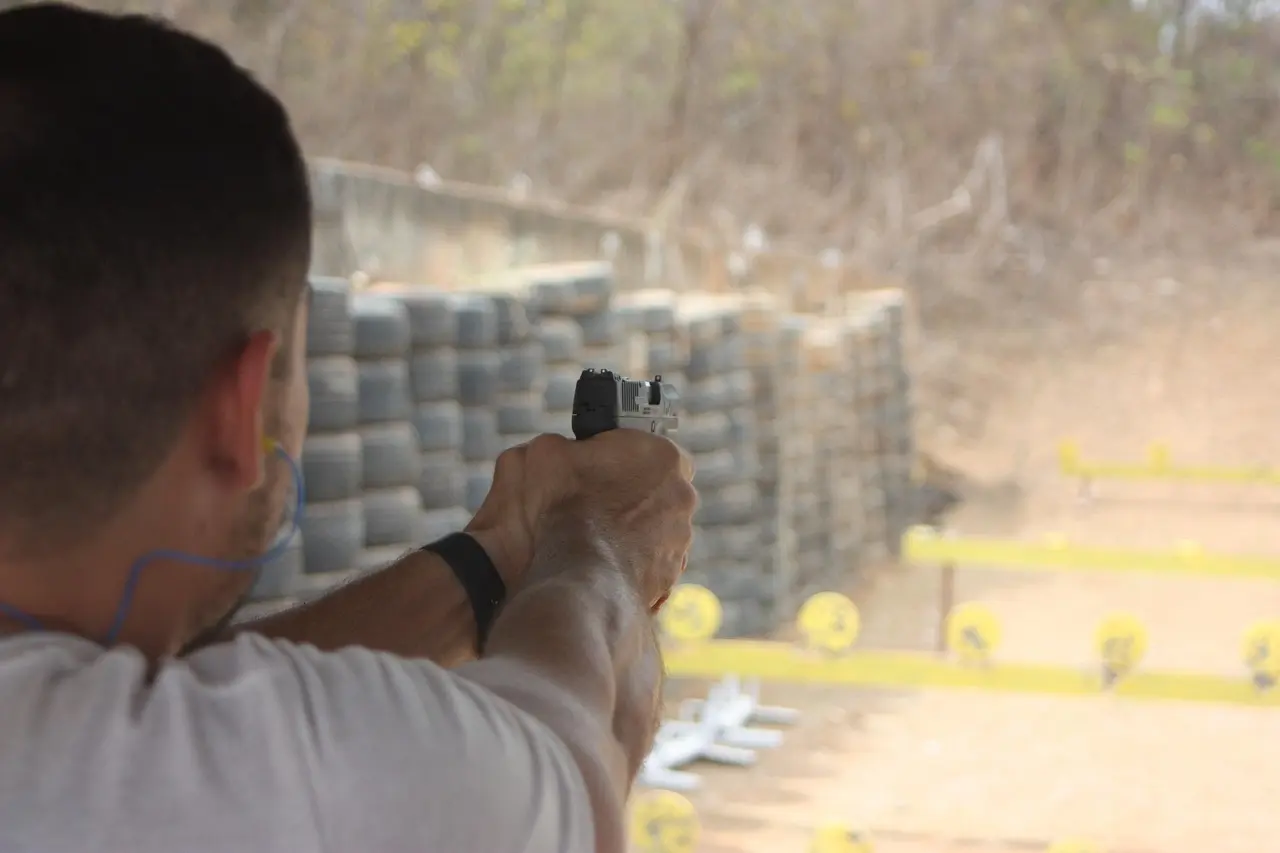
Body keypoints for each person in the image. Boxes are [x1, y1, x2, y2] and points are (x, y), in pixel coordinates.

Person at [0, 4, 696, 852]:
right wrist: (600, 542)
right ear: (243, 404)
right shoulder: (251, 778)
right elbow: (566, 762)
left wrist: (495, 555)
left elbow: (158, 696)